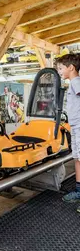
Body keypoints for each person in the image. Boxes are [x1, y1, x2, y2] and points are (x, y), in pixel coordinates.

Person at [56, 54, 80, 203]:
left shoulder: (76, 81)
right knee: (77, 159)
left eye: (60, 68)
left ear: (71, 67)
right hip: (76, 126)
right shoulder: (73, 83)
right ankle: (79, 191)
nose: (59, 71)